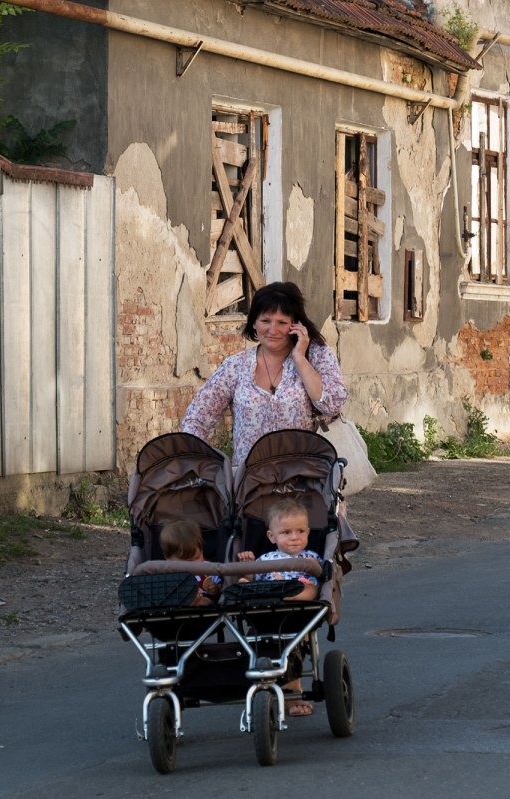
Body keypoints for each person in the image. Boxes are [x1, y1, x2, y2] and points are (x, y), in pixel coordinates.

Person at [181, 281, 348, 470]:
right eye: (265, 321)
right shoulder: (236, 366)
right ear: (254, 322)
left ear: (296, 325)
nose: (272, 330)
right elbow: (197, 418)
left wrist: (300, 358)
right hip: (252, 484)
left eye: (282, 323)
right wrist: (198, 464)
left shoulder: (316, 355)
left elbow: (333, 404)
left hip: (308, 480)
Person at [236, 498, 321, 716]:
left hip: (298, 608)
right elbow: (252, 577)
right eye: (286, 533)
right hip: (266, 606)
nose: (294, 537)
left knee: (312, 587)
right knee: (247, 585)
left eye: (300, 531)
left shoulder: (310, 557)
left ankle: (293, 693)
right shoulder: (266, 558)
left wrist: (314, 571)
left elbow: (318, 579)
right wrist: (247, 566)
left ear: (308, 533)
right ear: (272, 537)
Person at [159, 518, 222, 606]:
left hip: (204, 605)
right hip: (175, 608)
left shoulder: (207, 569)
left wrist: (215, 588)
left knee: (207, 601)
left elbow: (219, 584)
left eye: (197, 557)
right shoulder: (167, 575)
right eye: (187, 562)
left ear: (202, 551)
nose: (194, 564)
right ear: (167, 558)